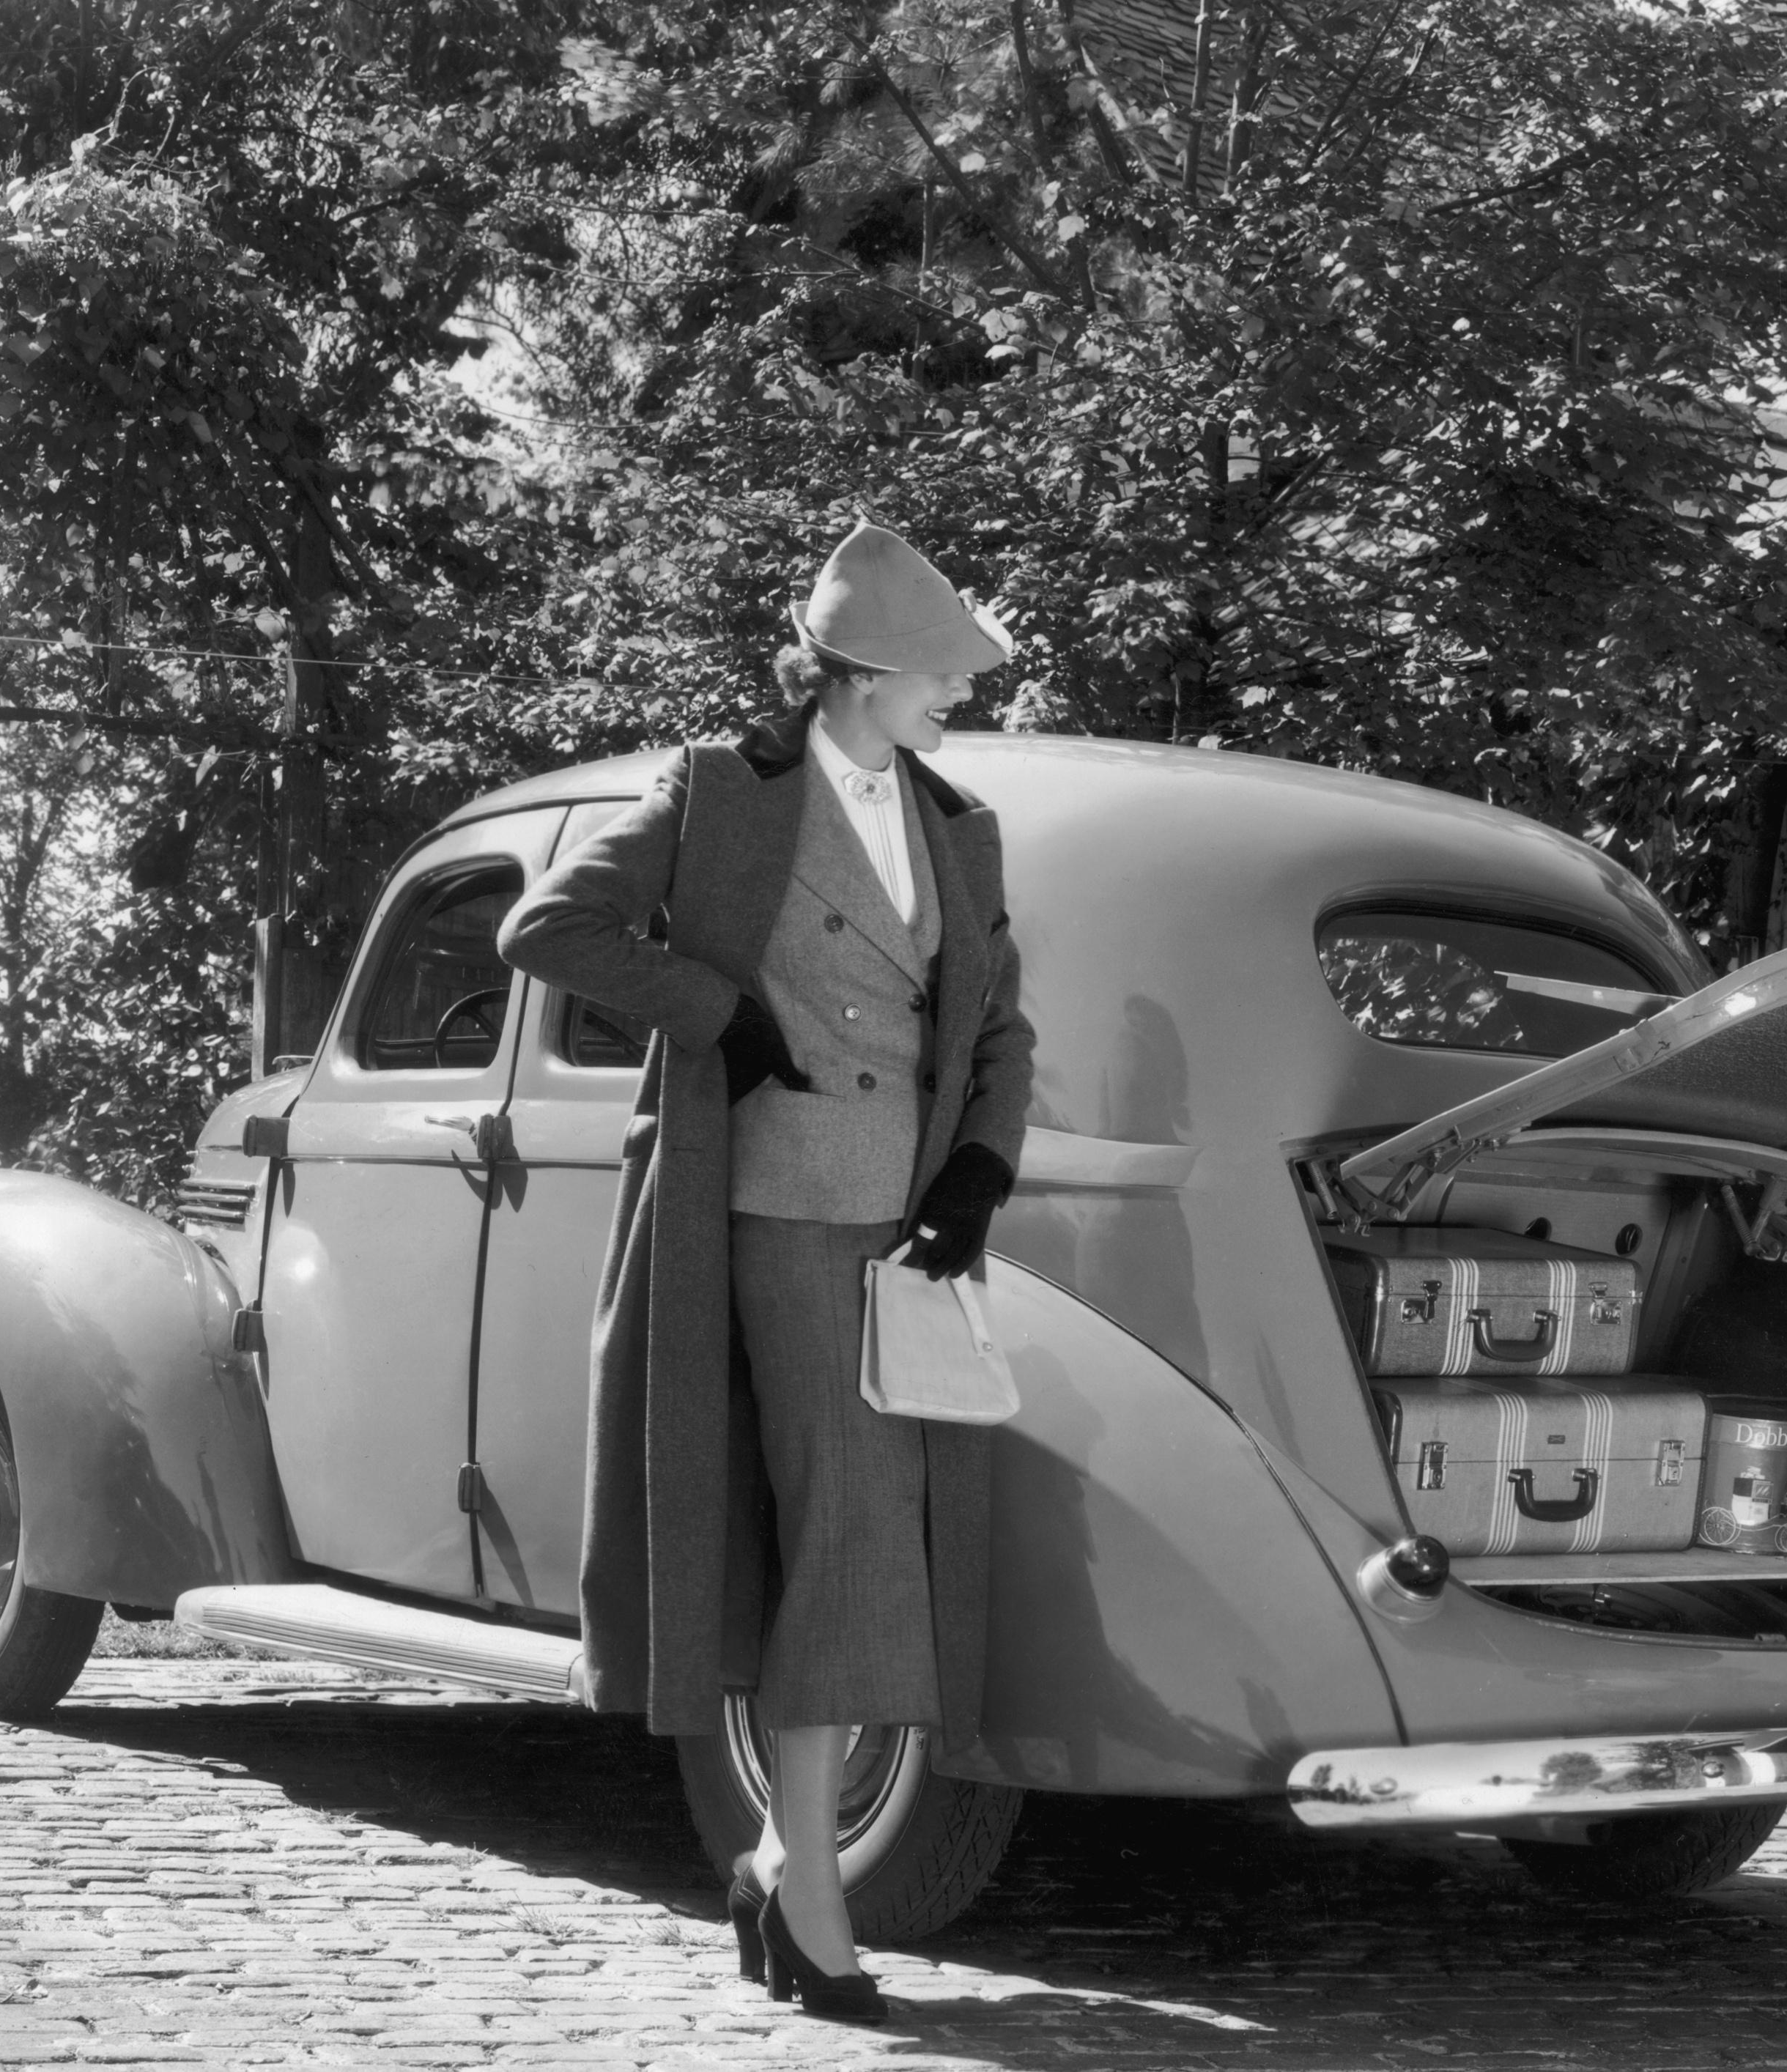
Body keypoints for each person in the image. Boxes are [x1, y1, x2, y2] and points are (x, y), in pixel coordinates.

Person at [498, 519, 1036, 2025]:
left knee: (872, 1541)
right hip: (781, 1210)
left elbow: (1000, 1026)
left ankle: (775, 1863)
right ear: (864, 674)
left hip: (914, 1232)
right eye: (945, 675)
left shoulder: (960, 824)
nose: (963, 701)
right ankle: (809, 1887)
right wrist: (716, 1014)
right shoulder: (721, 789)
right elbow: (550, 925)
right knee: (854, 1537)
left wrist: (982, 1169)